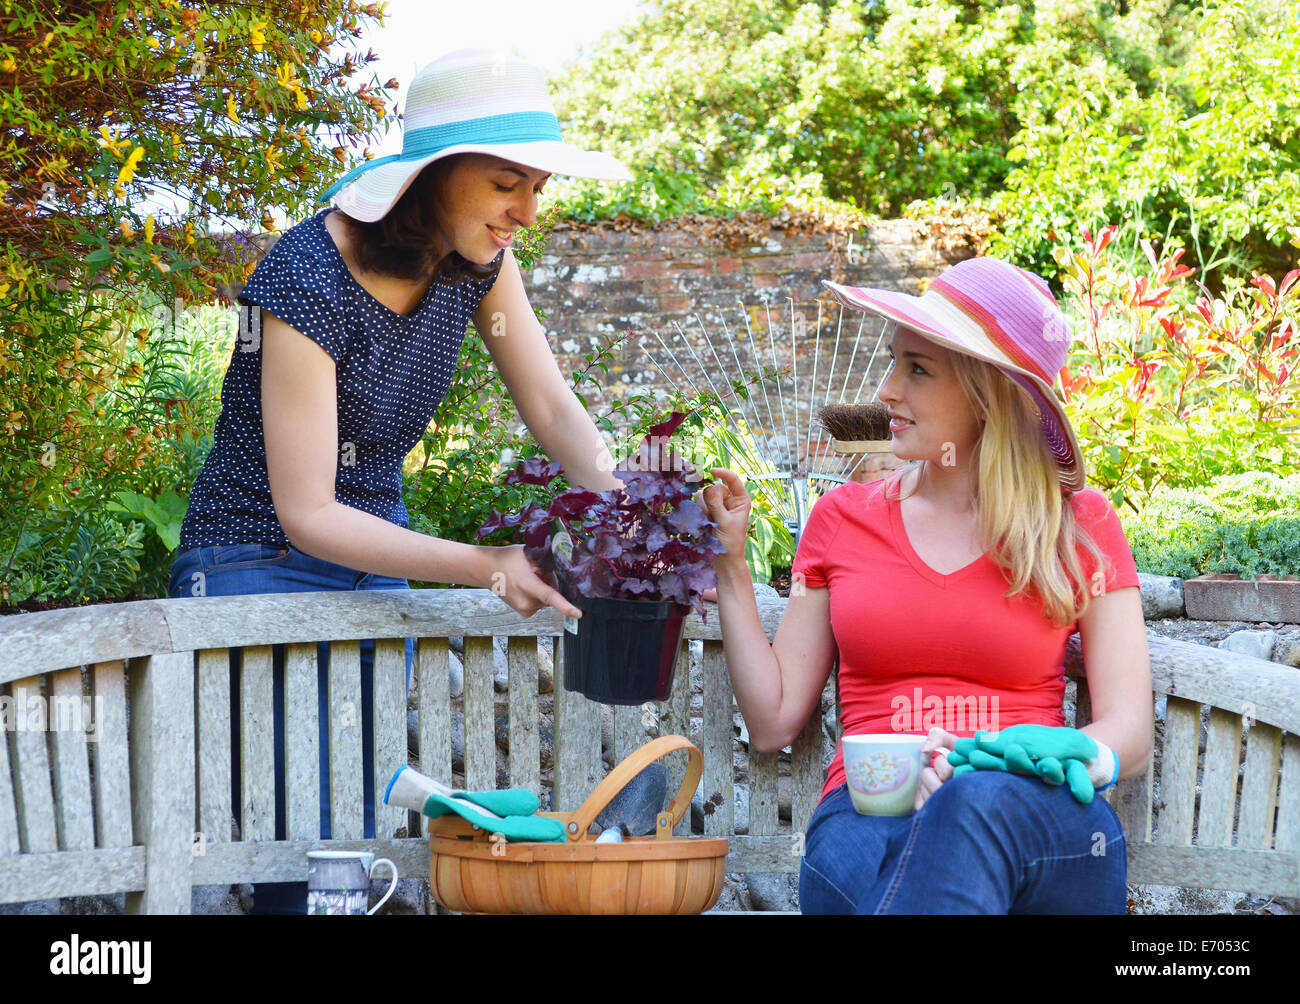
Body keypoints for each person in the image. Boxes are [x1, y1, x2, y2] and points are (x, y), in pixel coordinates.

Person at [168, 49, 629, 912]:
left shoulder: (476, 265)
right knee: (299, 852)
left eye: (536, 187)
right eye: (506, 184)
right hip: (254, 560)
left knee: (364, 843)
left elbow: (554, 411)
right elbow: (307, 512)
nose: (525, 212)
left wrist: (635, 513)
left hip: (375, 556)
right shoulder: (304, 279)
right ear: (436, 176)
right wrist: (487, 563)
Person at [699, 257, 1152, 914]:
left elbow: (1130, 729)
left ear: (986, 393)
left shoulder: (1079, 527)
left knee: (970, 804)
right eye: (894, 362)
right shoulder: (840, 521)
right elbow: (772, 723)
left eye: (917, 369)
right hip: (870, 814)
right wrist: (731, 566)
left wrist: (1051, 754)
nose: (885, 390)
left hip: (1032, 811)